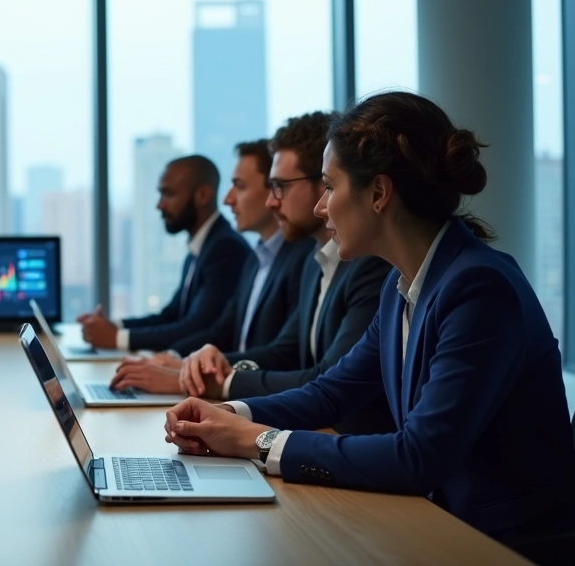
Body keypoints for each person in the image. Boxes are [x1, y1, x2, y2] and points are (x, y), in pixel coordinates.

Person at [164, 91, 575, 541]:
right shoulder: (401, 285)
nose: (319, 206)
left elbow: (417, 457)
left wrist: (257, 439)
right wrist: (223, 413)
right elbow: (329, 394)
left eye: (329, 187)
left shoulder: (480, 289)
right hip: (441, 525)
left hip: (513, 543)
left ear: (379, 193)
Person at [177, 112, 394, 435]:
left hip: (348, 443)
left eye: (279, 187)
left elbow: (325, 380)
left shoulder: (373, 267)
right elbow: (287, 352)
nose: (271, 201)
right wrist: (218, 374)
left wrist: (236, 408)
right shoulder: (313, 261)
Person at [110, 139, 313, 394]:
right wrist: (177, 359)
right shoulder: (256, 257)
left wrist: (189, 369)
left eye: (239, 187)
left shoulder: (297, 257)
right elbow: (221, 330)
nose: (228, 200)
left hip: (263, 400)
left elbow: (286, 356)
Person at [78, 155, 251, 352]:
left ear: (203, 195)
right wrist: (114, 326)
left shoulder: (225, 248)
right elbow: (171, 316)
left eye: (168, 194)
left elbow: (197, 328)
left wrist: (117, 338)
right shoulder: (202, 246)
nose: (159, 205)